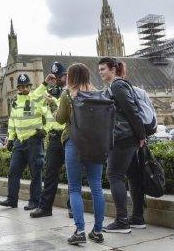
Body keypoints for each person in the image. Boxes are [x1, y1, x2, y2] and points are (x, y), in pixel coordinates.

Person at [58, 63, 105, 245]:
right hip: (96, 145)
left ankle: (80, 230)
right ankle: (98, 231)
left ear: (70, 77)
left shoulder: (67, 94)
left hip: (74, 143)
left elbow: (60, 118)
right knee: (96, 187)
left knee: (75, 188)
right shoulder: (98, 93)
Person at [99, 57, 146, 233]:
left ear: (113, 69)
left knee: (114, 175)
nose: (101, 72)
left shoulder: (117, 86)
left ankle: (121, 221)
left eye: (103, 69)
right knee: (133, 176)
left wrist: (141, 135)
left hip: (122, 137)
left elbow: (132, 110)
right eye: (100, 70)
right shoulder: (117, 86)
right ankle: (137, 218)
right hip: (128, 136)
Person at [0, 74, 46, 211]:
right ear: (18, 88)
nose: (24, 89)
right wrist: (11, 139)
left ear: (30, 87)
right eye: (21, 86)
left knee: (35, 173)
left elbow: (47, 115)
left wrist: (45, 130)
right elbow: (12, 123)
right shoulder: (15, 103)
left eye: (26, 86)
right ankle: (12, 200)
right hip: (19, 142)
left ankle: (34, 201)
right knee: (13, 171)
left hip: (34, 140)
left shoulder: (35, 99)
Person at [30, 61, 72, 219]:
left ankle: (73, 208)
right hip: (55, 137)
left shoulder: (72, 90)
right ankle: (45, 207)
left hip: (69, 137)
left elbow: (66, 111)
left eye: (60, 76)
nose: (59, 79)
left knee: (72, 175)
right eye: (56, 77)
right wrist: (45, 83)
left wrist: (53, 102)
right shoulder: (49, 91)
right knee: (50, 175)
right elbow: (33, 101)